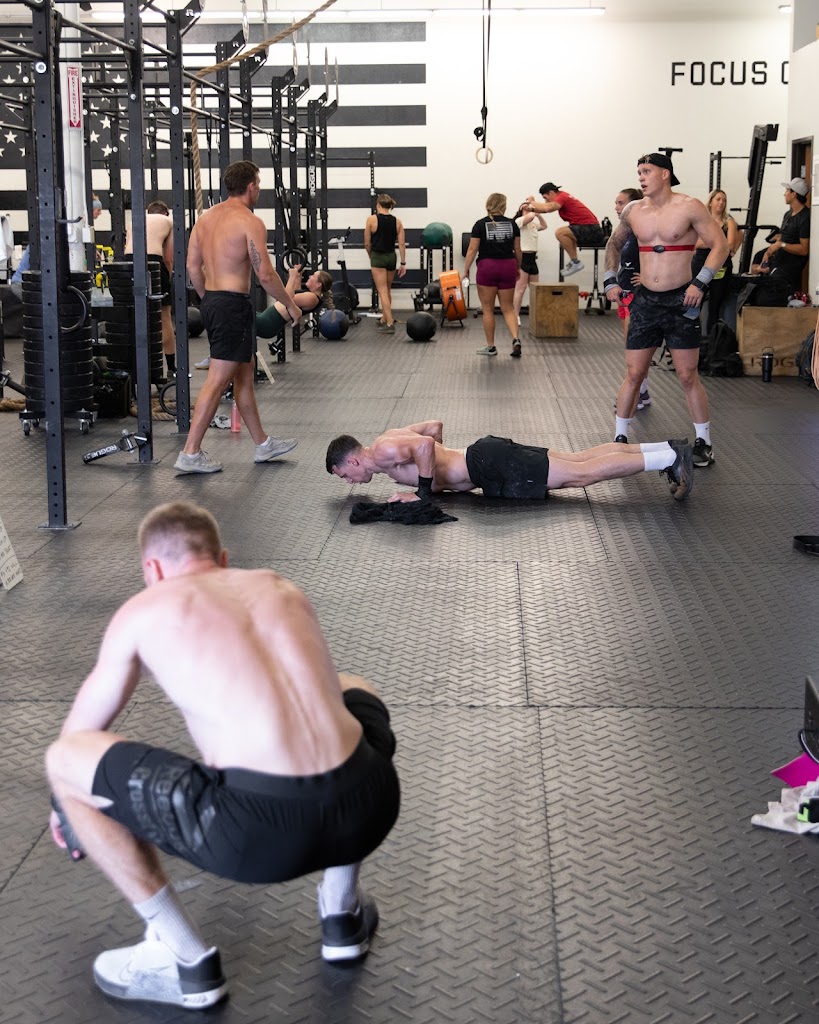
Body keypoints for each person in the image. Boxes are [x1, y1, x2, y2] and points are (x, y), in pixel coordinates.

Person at [45, 501, 400, 1010]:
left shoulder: (145, 609)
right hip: (371, 805)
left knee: (64, 761)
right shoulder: (280, 587)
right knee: (354, 686)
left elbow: (81, 733)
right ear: (223, 558)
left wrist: (65, 804)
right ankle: (342, 913)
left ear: (152, 568)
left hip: (261, 837)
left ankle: (180, 960)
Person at [175, 161, 302, 475]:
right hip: (232, 305)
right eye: (259, 184)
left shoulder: (205, 220)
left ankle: (263, 444)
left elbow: (192, 267)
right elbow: (265, 274)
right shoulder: (250, 221)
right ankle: (190, 453)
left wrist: (208, 299)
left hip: (214, 301)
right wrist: (291, 304)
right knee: (218, 380)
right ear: (252, 186)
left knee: (244, 375)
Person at [603, 153, 729, 468]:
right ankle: (619, 438)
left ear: (665, 174)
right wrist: (609, 280)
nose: (641, 177)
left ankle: (704, 443)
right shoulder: (634, 210)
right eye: (639, 171)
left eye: (647, 171)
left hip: (681, 301)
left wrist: (700, 282)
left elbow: (721, 245)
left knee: (687, 375)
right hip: (645, 301)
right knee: (634, 373)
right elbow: (614, 244)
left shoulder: (690, 206)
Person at [326, 420, 695, 502]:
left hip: (489, 464)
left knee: (580, 475)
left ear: (352, 462)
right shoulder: (387, 445)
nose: (349, 482)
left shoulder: (382, 451)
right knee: (579, 460)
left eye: (343, 475)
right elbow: (433, 427)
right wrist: (444, 469)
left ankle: (669, 458)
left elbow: (424, 444)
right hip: (485, 458)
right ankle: (667, 448)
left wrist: (424, 491)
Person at [462, 193, 523, 358]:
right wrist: (518, 267)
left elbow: (472, 249)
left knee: (488, 309)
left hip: (487, 267)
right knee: (508, 308)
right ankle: (516, 339)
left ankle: (491, 347)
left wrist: (466, 270)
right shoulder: (512, 224)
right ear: (503, 206)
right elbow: (518, 249)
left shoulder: (480, 224)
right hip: (508, 265)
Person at [125, 199, 177, 378]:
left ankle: (132, 368)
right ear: (165, 213)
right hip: (154, 261)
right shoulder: (168, 221)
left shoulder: (135, 220)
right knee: (164, 316)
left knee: (133, 315)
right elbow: (168, 258)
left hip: (129, 263)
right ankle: (172, 368)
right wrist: (167, 278)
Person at [613, 187, 651, 412]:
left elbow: (661, 254)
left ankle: (637, 393)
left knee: (635, 350)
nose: (617, 208)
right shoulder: (625, 231)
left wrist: (648, 277)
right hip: (625, 291)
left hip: (638, 296)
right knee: (631, 348)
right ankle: (643, 392)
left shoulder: (644, 230)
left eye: (621, 203)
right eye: (616, 203)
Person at [748, 177, 811, 307]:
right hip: (780, 256)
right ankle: (762, 271)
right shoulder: (788, 214)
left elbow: (804, 249)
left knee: (764, 297)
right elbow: (782, 237)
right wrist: (770, 250)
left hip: (790, 262)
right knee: (759, 256)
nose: (784, 194)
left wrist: (781, 245)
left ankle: (787, 297)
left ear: (794, 194)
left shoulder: (805, 217)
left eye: (787, 190)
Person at [525, 182, 603, 277]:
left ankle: (575, 262)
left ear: (551, 193)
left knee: (560, 233)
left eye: (545, 198)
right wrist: (531, 209)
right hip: (587, 228)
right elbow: (544, 209)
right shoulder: (562, 197)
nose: (546, 201)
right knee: (565, 235)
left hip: (591, 229)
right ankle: (575, 261)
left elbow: (548, 208)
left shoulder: (562, 197)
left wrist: (531, 202)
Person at [691, 189, 740, 335]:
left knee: (715, 306)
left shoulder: (729, 222)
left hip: (721, 267)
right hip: (700, 264)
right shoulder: (702, 220)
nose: (721, 202)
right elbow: (694, 243)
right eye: (718, 199)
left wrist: (709, 243)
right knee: (694, 302)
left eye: (724, 200)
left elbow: (729, 245)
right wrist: (718, 243)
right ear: (711, 201)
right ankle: (692, 337)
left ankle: (711, 340)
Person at [364, 194, 406, 333]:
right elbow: (401, 244)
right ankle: (384, 318)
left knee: (382, 290)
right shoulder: (397, 222)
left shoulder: (371, 219)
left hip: (378, 256)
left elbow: (367, 243)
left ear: (378, 205)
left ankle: (389, 323)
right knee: (387, 290)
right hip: (391, 257)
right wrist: (403, 263)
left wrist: (371, 256)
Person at [256, 264, 334, 338]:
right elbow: (295, 292)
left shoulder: (312, 298)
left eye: (313, 276)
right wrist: (298, 275)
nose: (310, 276)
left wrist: (292, 276)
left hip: (267, 323)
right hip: (266, 320)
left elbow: (286, 298)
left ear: (318, 284)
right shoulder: (311, 296)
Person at [513, 203, 548, 324]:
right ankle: (515, 316)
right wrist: (533, 208)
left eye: (528, 208)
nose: (527, 209)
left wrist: (539, 215)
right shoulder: (519, 221)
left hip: (532, 258)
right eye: (524, 208)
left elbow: (544, 226)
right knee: (520, 288)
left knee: (535, 288)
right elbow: (530, 217)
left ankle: (536, 315)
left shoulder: (533, 224)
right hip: (523, 257)